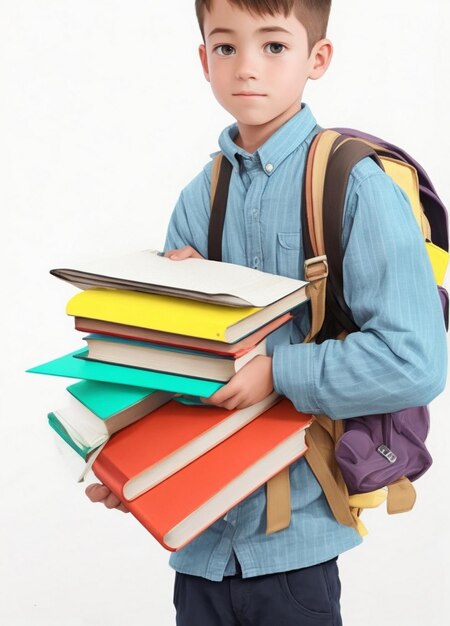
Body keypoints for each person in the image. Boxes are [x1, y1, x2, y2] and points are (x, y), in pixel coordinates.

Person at [86, 1, 447, 624]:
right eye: (226, 47)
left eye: (274, 46)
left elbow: (415, 360)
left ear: (318, 58)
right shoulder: (200, 196)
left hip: (295, 552)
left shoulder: (355, 184)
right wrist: (135, 468)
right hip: (194, 546)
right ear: (204, 60)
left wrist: (278, 370)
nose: (247, 67)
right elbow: (178, 371)